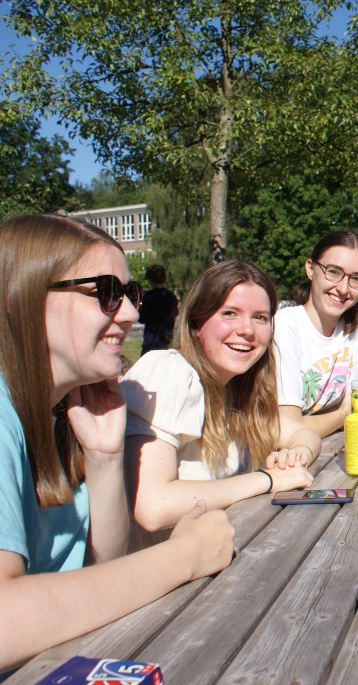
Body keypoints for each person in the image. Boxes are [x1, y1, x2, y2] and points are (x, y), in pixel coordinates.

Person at [0, 214, 234, 674]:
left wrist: (105, 458)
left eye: (131, 294)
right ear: (20, 297)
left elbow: (98, 567)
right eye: (105, 292)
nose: (129, 313)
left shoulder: (65, 411)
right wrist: (182, 557)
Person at [124, 260, 319, 539]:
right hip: (152, 573)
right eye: (229, 313)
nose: (247, 330)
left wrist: (296, 455)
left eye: (260, 317)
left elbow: (303, 433)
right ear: (196, 323)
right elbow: (152, 507)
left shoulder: (237, 388)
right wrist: (268, 479)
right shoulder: (171, 373)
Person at [273, 232, 358, 438]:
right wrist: (344, 414)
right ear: (310, 269)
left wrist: (342, 414)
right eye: (334, 272)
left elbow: (355, 410)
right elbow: (288, 429)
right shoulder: (285, 325)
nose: (343, 289)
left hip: (326, 452)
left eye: (356, 279)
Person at [139, 264, 178, 356]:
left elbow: (141, 318)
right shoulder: (171, 297)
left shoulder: (148, 297)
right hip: (166, 340)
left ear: (149, 279)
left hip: (151, 341)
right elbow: (175, 314)